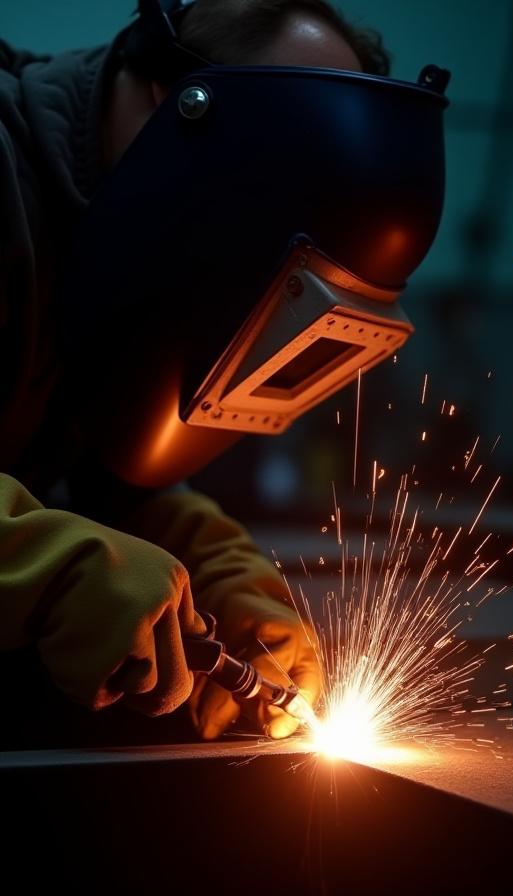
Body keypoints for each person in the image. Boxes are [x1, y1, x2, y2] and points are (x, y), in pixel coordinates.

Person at [0, 0, 394, 747]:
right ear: (173, 98)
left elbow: (105, 474)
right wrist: (35, 564)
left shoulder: (120, 253)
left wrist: (212, 567)